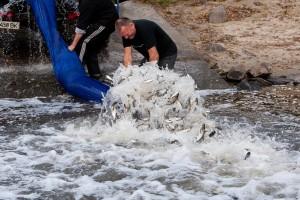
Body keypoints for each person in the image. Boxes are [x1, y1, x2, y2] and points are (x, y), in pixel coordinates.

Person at [68, 0, 119, 79]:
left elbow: (81, 28)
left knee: (83, 42)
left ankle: (76, 71)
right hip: (103, 19)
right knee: (91, 46)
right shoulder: (84, 3)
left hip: (106, 22)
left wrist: (73, 45)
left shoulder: (86, 2)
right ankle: (95, 74)